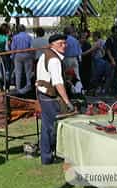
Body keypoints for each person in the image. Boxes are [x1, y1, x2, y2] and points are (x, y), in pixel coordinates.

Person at [36, 34, 74, 164]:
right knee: (52, 127)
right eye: (60, 43)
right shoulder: (54, 60)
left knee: (47, 126)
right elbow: (58, 82)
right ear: (52, 45)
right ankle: (51, 155)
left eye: (65, 43)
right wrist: (67, 102)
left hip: (42, 93)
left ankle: (47, 156)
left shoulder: (45, 54)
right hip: (49, 96)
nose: (64, 46)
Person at [11, 24, 34, 95]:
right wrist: (32, 55)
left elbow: (13, 48)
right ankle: (28, 85)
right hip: (27, 54)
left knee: (18, 72)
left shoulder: (15, 37)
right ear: (24, 29)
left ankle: (18, 88)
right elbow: (31, 47)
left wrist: (12, 56)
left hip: (18, 55)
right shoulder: (29, 37)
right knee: (28, 72)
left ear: (18, 30)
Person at [104, 25, 117, 95]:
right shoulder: (109, 39)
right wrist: (112, 60)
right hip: (110, 61)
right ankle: (106, 92)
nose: (116, 33)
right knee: (110, 76)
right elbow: (108, 51)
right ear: (112, 32)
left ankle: (114, 91)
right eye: (115, 31)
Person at [0, 23, 11, 90]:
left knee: (1, 70)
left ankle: (1, 86)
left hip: (0, 54)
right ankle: (7, 87)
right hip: (6, 54)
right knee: (7, 70)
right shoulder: (7, 36)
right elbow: (8, 46)